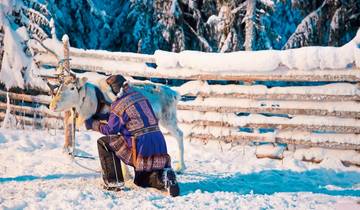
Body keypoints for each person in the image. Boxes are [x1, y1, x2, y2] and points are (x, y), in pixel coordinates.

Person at [85, 75, 180, 197]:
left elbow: (110, 129)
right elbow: (124, 118)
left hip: (140, 144)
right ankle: (164, 178)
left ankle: (114, 182)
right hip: (158, 141)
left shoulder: (118, 105)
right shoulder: (139, 95)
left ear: (112, 91)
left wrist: (93, 123)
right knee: (142, 181)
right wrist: (102, 117)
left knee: (104, 142)